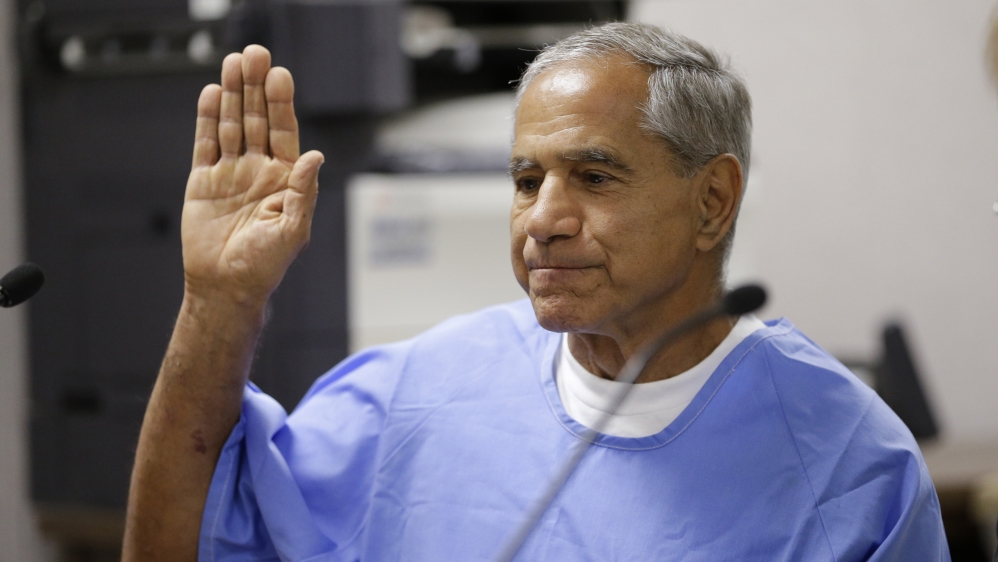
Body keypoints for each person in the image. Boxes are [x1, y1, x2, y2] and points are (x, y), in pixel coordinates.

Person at [122, 23, 949, 561]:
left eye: (594, 176)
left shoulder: (850, 468)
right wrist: (217, 300)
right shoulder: (414, 396)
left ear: (713, 201)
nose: (544, 219)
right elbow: (179, 545)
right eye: (526, 179)